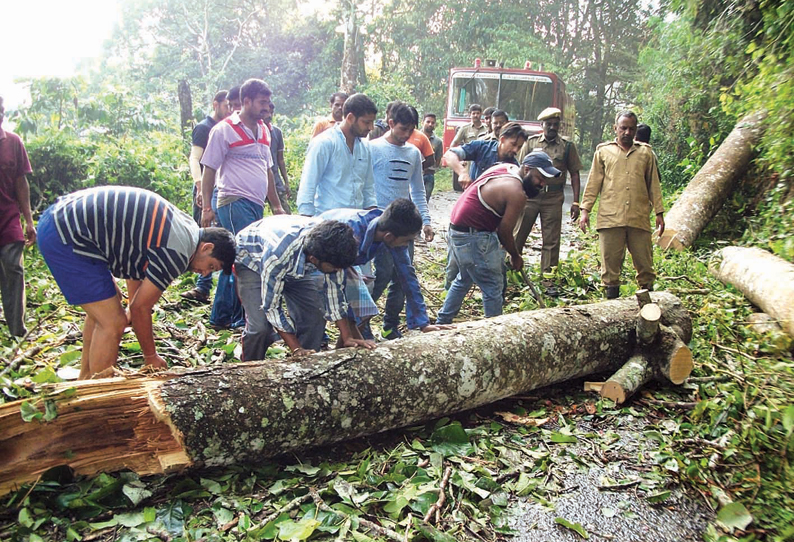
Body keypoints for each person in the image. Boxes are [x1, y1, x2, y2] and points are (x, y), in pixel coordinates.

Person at [37, 186, 235, 379]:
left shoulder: (188, 229)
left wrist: (132, 306)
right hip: (67, 233)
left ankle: (86, 381)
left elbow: (137, 265)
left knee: (108, 306)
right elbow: (141, 307)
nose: (204, 273)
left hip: (61, 219)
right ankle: (99, 397)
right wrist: (150, 357)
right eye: (211, 266)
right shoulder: (179, 252)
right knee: (113, 322)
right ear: (207, 247)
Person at [200, 78, 286, 330]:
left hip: (255, 204)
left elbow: (267, 170)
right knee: (247, 258)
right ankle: (240, 317)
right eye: (261, 102)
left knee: (238, 258)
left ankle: (222, 316)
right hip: (233, 200)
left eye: (268, 102)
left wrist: (277, 205)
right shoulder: (224, 130)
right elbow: (209, 169)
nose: (266, 107)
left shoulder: (265, 130)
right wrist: (207, 207)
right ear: (246, 101)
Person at [436, 152, 560, 323]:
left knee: (465, 277)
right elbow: (505, 231)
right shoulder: (516, 192)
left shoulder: (505, 168)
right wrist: (515, 256)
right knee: (493, 286)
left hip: (458, 230)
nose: (543, 184)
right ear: (527, 169)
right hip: (473, 235)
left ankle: (442, 321)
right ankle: (494, 331)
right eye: (540, 178)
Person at [235, 217, 374, 360]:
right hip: (253, 261)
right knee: (260, 328)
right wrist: (296, 348)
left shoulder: (331, 250)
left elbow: (334, 294)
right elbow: (271, 307)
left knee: (314, 318)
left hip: (295, 265)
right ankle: (249, 367)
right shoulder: (278, 254)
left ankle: (306, 366)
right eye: (334, 267)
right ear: (314, 259)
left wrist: (347, 338)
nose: (338, 270)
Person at [319, 200, 451, 341]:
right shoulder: (353, 234)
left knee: (364, 310)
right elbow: (335, 282)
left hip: (346, 265)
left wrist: (423, 323)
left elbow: (408, 276)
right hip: (321, 258)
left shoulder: (390, 230)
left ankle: (354, 342)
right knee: (321, 304)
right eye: (407, 241)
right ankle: (322, 340)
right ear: (389, 237)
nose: (406, 245)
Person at [579, 110, 665, 299]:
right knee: (610, 267)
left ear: (635, 130)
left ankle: (647, 307)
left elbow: (653, 184)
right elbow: (593, 182)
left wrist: (659, 212)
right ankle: (612, 307)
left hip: (638, 217)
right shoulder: (603, 152)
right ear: (615, 129)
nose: (627, 132)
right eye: (623, 128)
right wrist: (585, 210)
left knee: (645, 265)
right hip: (610, 218)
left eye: (631, 129)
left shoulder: (645, 153)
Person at [369, 102, 434, 339]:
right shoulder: (372, 149)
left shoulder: (413, 153)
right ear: (391, 123)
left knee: (403, 277)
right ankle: (358, 319)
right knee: (381, 274)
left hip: (405, 225)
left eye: (411, 130)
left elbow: (418, 190)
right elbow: (365, 186)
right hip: (380, 225)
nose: (407, 135)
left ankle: (390, 326)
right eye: (402, 129)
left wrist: (425, 221)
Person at [514, 107, 583, 297]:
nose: (552, 127)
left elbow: (575, 173)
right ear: (542, 125)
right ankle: (510, 271)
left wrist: (576, 202)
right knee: (518, 233)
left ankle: (548, 279)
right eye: (549, 124)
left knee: (551, 240)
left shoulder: (567, 146)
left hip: (553, 198)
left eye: (556, 124)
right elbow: (520, 169)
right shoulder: (531, 143)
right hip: (530, 196)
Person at [182, 89, 230, 303]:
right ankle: (202, 285)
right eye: (227, 105)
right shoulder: (204, 128)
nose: (230, 109)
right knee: (204, 236)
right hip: (206, 188)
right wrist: (200, 187)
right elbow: (195, 158)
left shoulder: (228, 129)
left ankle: (214, 284)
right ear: (216, 104)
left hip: (222, 188)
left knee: (220, 239)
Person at [296, 93, 378, 217]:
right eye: (366, 122)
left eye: (372, 122)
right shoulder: (324, 143)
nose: (371, 127)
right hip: (327, 224)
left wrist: (372, 221)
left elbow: (368, 190)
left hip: (357, 224)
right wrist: (307, 223)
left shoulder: (364, 147)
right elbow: (308, 186)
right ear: (350, 118)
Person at [0, 95, 36, 337]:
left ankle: (17, 332)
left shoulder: (13, 143)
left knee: (13, 269)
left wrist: (29, 220)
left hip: (8, 219)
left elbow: (21, 183)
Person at [443, 121, 527, 190]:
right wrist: (462, 173)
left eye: (519, 147)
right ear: (502, 139)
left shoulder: (514, 167)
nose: (516, 150)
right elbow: (449, 154)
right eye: (513, 144)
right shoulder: (481, 147)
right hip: (473, 200)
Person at [264, 101, 292, 213]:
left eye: (271, 113)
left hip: (275, 178)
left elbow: (280, 159)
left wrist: (286, 181)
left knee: (285, 213)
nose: (269, 116)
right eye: (267, 112)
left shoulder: (276, 132)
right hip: (258, 179)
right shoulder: (253, 131)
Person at [421, 113, 444, 201]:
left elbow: (438, 159)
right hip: (415, 174)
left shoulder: (438, 142)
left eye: (433, 123)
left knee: (425, 200)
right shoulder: (415, 137)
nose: (430, 124)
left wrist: (431, 169)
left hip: (429, 175)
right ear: (422, 122)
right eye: (428, 122)